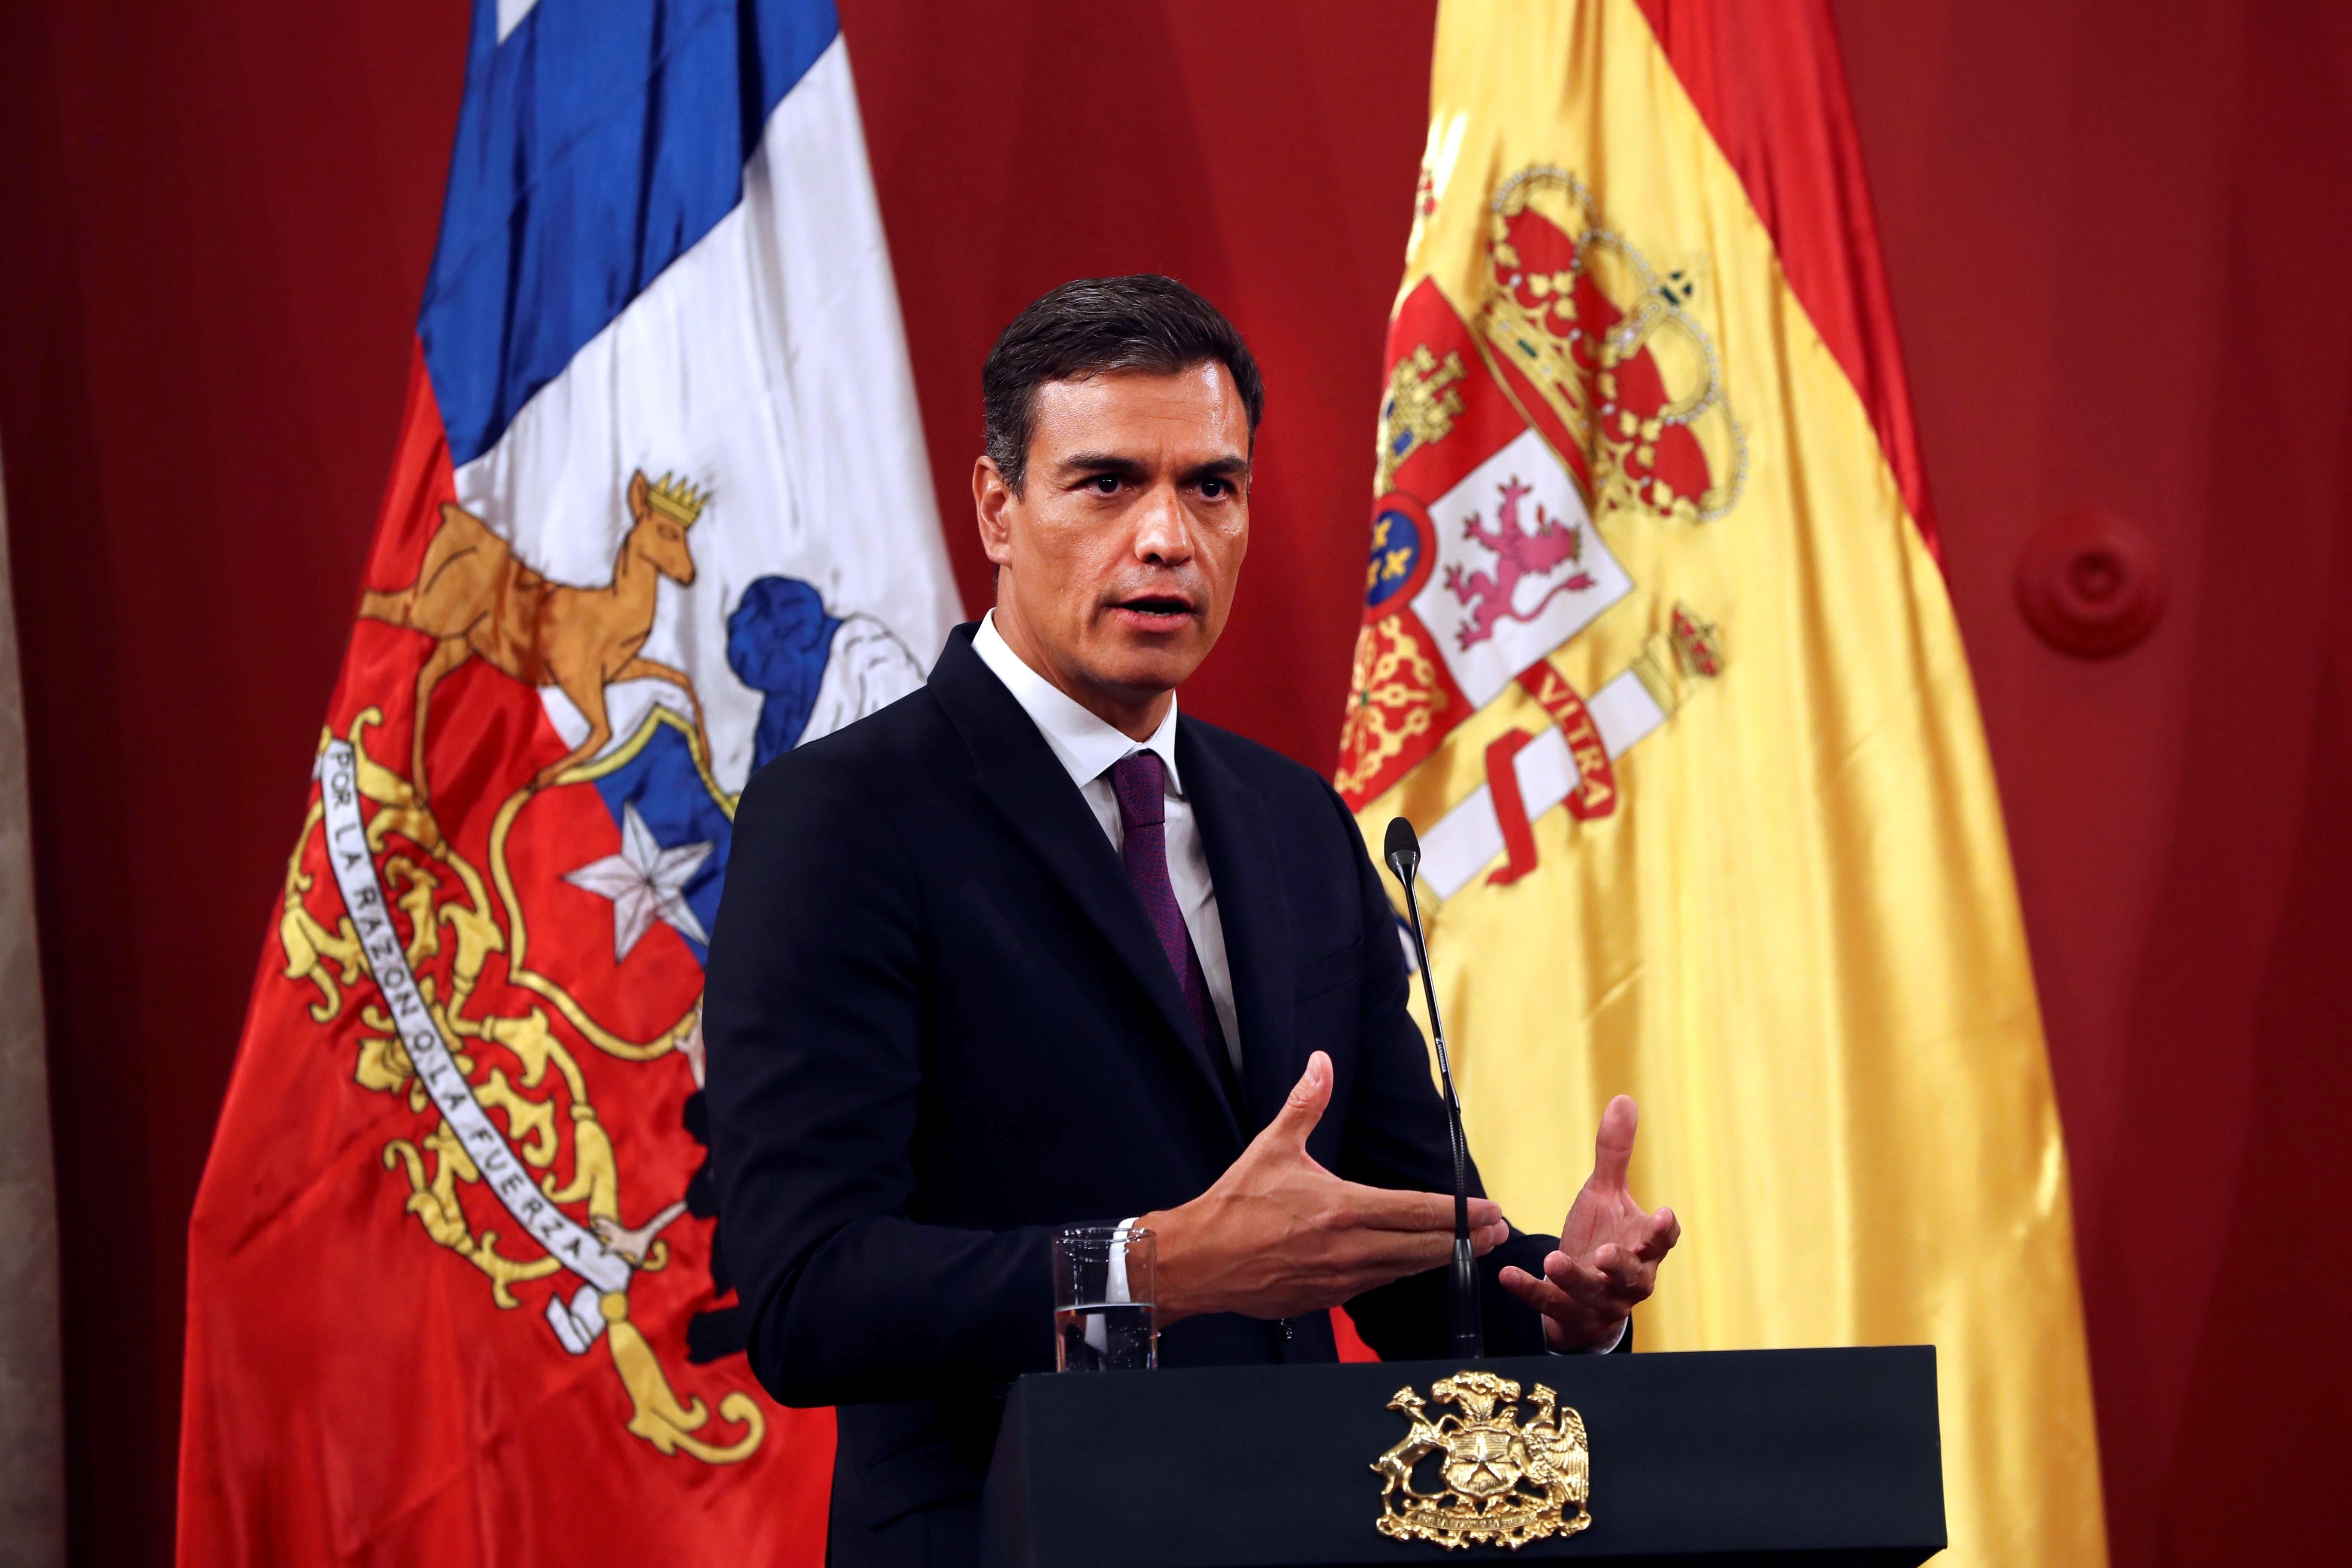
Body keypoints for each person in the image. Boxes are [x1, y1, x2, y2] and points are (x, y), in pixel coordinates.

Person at [704, 275, 1679, 1565]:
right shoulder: (846, 818)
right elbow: (806, 1296)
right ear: (998, 507)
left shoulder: (1296, 826)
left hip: (1303, 1531)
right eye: (1108, 484)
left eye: (1210, 488)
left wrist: (1561, 1309)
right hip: (1006, 1540)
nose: (1167, 537)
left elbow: (1401, 1254)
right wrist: (1150, 1268)